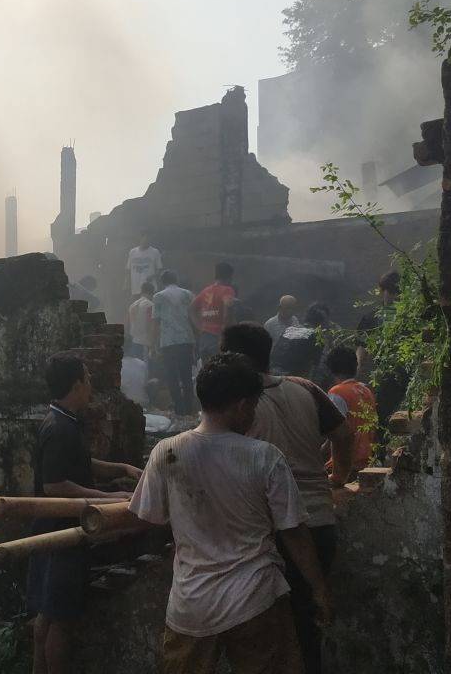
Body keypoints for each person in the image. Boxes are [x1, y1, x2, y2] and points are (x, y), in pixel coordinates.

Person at [131, 353, 333, 674]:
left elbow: (148, 519)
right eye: (253, 406)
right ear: (241, 405)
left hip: (191, 602)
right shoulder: (265, 457)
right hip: (255, 599)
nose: (253, 414)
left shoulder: (166, 452)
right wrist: (318, 588)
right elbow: (293, 532)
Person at [220, 323, 354, 674]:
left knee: (266, 635)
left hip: (271, 530)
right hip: (321, 522)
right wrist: (338, 478)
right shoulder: (304, 388)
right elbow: (343, 434)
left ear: (232, 358)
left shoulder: (236, 405)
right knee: (305, 629)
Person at [28, 355, 141, 674]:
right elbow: (54, 485)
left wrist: (120, 469)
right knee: (61, 618)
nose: (91, 385)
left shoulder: (64, 420)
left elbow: (80, 464)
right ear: (76, 384)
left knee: (48, 613)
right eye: (88, 378)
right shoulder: (59, 427)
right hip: (61, 532)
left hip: (55, 530)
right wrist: (108, 499)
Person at [356, 271, 407, 427]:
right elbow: (362, 347)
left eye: (397, 292)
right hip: (394, 374)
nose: (394, 296)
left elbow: (361, 348)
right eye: (392, 292)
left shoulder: (408, 317)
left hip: (396, 374)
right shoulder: (372, 318)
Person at [324, 347, 377, 477]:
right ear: (355, 366)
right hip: (367, 461)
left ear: (331, 369)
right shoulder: (366, 390)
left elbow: (337, 433)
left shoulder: (337, 393)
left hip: (346, 465)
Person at [151, 271, 196, 416]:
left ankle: (179, 408)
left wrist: (154, 344)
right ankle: (189, 408)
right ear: (176, 279)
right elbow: (193, 317)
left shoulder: (158, 296)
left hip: (168, 341)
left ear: (163, 281)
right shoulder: (188, 294)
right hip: (186, 339)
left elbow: (156, 322)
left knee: (172, 376)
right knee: (186, 375)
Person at [190, 262, 237, 362]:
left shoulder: (206, 290)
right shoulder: (228, 290)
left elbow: (192, 308)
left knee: (207, 371)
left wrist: (198, 326)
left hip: (204, 337)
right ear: (229, 277)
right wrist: (224, 335)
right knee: (221, 369)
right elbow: (227, 309)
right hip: (218, 337)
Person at [125, 232, 163, 300]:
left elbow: (159, 269)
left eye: (148, 239)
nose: (146, 241)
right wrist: (126, 283)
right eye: (145, 239)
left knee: (149, 307)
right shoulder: (132, 252)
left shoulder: (155, 252)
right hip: (136, 288)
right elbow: (128, 269)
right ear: (140, 239)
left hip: (149, 289)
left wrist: (153, 276)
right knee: (136, 308)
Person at [126, 282, 156, 360]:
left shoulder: (132, 305)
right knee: (145, 368)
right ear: (152, 292)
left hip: (133, 341)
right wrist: (152, 344)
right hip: (144, 342)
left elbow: (128, 326)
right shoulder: (150, 305)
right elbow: (151, 326)